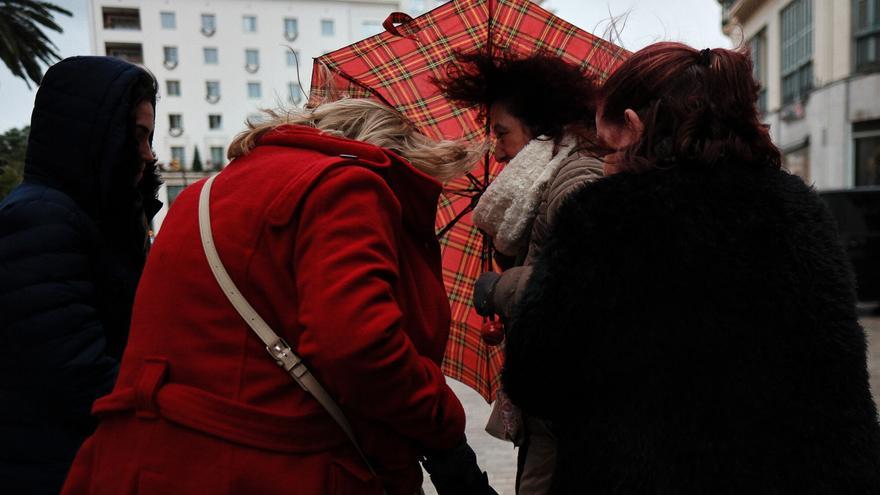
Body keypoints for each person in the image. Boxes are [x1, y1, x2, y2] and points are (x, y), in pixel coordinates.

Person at [60, 98, 495, 495]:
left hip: (143, 462)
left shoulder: (201, 194)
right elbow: (358, 347)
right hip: (266, 468)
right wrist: (443, 426)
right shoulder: (346, 186)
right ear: (395, 152)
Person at [502, 42, 880, 494]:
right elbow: (841, 376)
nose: (600, 158)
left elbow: (534, 379)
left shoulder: (603, 218)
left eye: (603, 145)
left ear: (634, 126)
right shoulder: (800, 210)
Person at [436, 51, 604, 494]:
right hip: (553, 402)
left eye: (502, 132)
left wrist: (499, 287)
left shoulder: (577, 179)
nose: (495, 148)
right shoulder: (548, 181)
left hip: (568, 404)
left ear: (540, 127)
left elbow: (581, 289)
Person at [0, 56, 160, 494]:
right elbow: (75, 373)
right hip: (51, 469)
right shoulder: (40, 218)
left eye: (150, 137)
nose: (148, 153)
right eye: (137, 136)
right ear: (96, 133)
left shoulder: (87, 217)